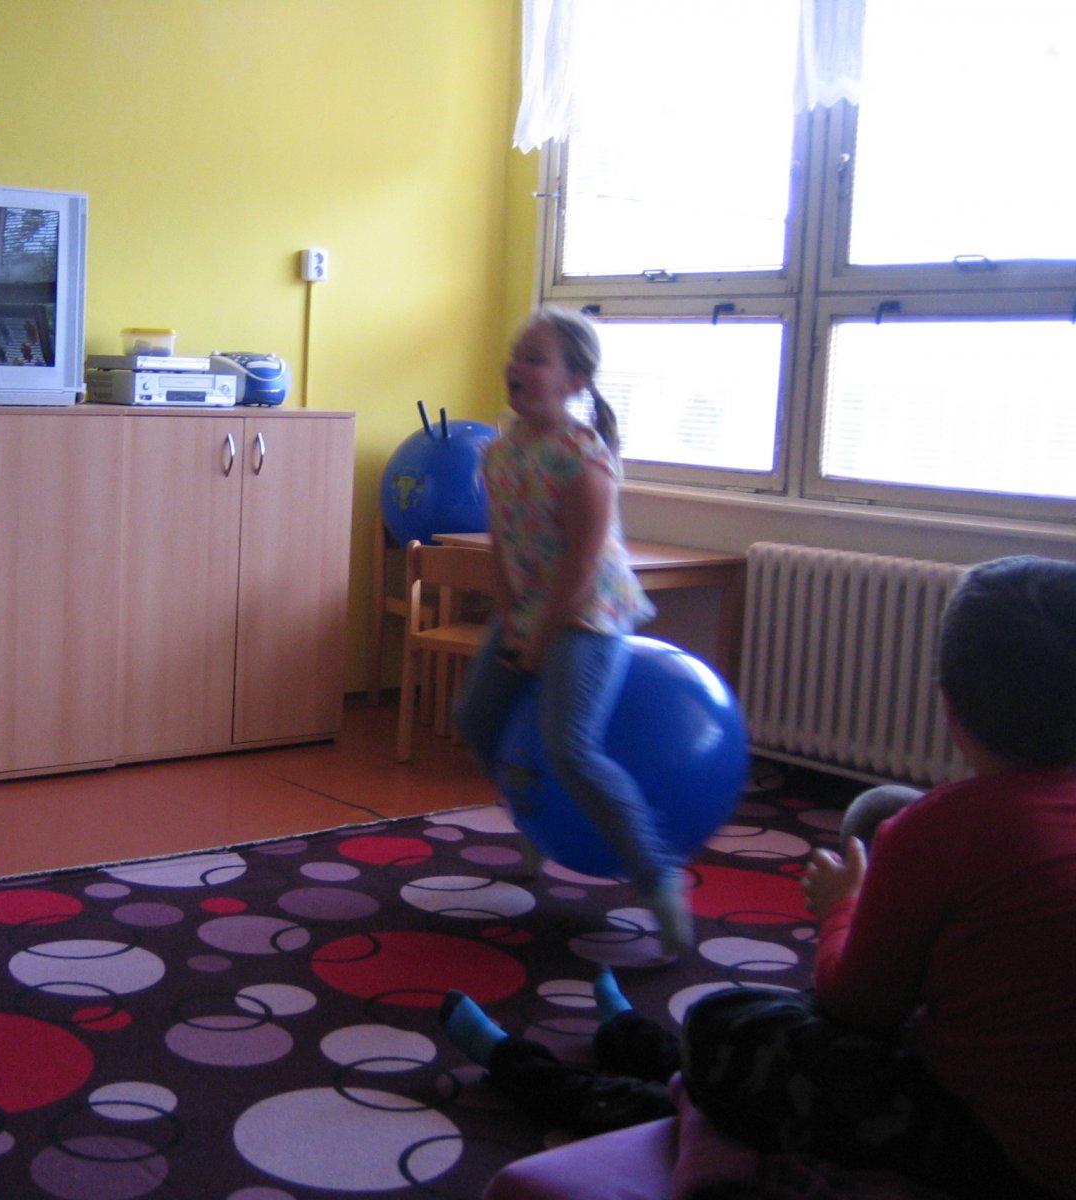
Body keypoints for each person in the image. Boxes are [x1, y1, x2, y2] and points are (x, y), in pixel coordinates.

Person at [444, 555, 1076, 1198]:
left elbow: (855, 1006)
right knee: (773, 1031)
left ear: (947, 705)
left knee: (724, 1025)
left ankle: (562, 1078)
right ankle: (634, 1046)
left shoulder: (941, 829)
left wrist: (843, 905)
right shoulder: (948, 828)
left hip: (988, 1148)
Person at [452, 305, 691, 956]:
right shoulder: (500, 452)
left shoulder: (582, 456)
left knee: (571, 747)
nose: (516, 365)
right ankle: (534, 820)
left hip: (589, 614)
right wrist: (512, 622)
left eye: (534, 357)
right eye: (515, 354)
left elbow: (583, 566)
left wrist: (541, 637)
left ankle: (658, 878)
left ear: (574, 381)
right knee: (475, 720)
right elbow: (502, 547)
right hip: (530, 609)